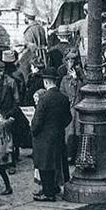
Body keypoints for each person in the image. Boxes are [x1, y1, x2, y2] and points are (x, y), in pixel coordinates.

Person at [31, 67, 72, 200]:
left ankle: (48, 193)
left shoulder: (44, 99)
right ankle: (54, 187)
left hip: (44, 137)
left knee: (44, 164)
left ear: (46, 82)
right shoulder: (63, 98)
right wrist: (59, 127)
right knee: (56, 162)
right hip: (58, 134)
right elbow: (68, 118)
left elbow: (37, 121)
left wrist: (33, 131)